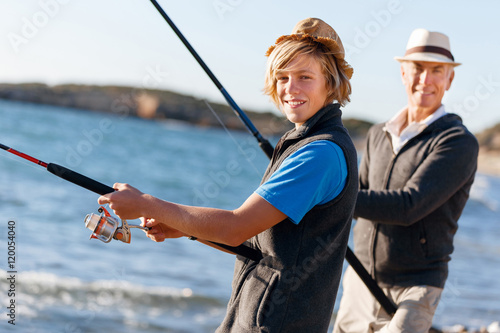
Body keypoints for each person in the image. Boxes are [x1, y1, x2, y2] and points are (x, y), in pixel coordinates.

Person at [98, 18, 359, 332]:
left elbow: (236, 227)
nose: (290, 88)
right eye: (282, 77)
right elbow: (256, 241)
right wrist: (182, 228)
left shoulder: (321, 154)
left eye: (305, 77)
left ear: (330, 83)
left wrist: (146, 204)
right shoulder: (303, 142)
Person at [333, 28, 479, 333]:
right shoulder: (377, 133)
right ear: (403, 73)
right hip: (360, 280)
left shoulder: (457, 142)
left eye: (436, 71)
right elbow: (357, 195)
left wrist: (329, 195)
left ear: (449, 79)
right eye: (417, 69)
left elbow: (408, 206)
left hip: (416, 288)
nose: (425, 79)